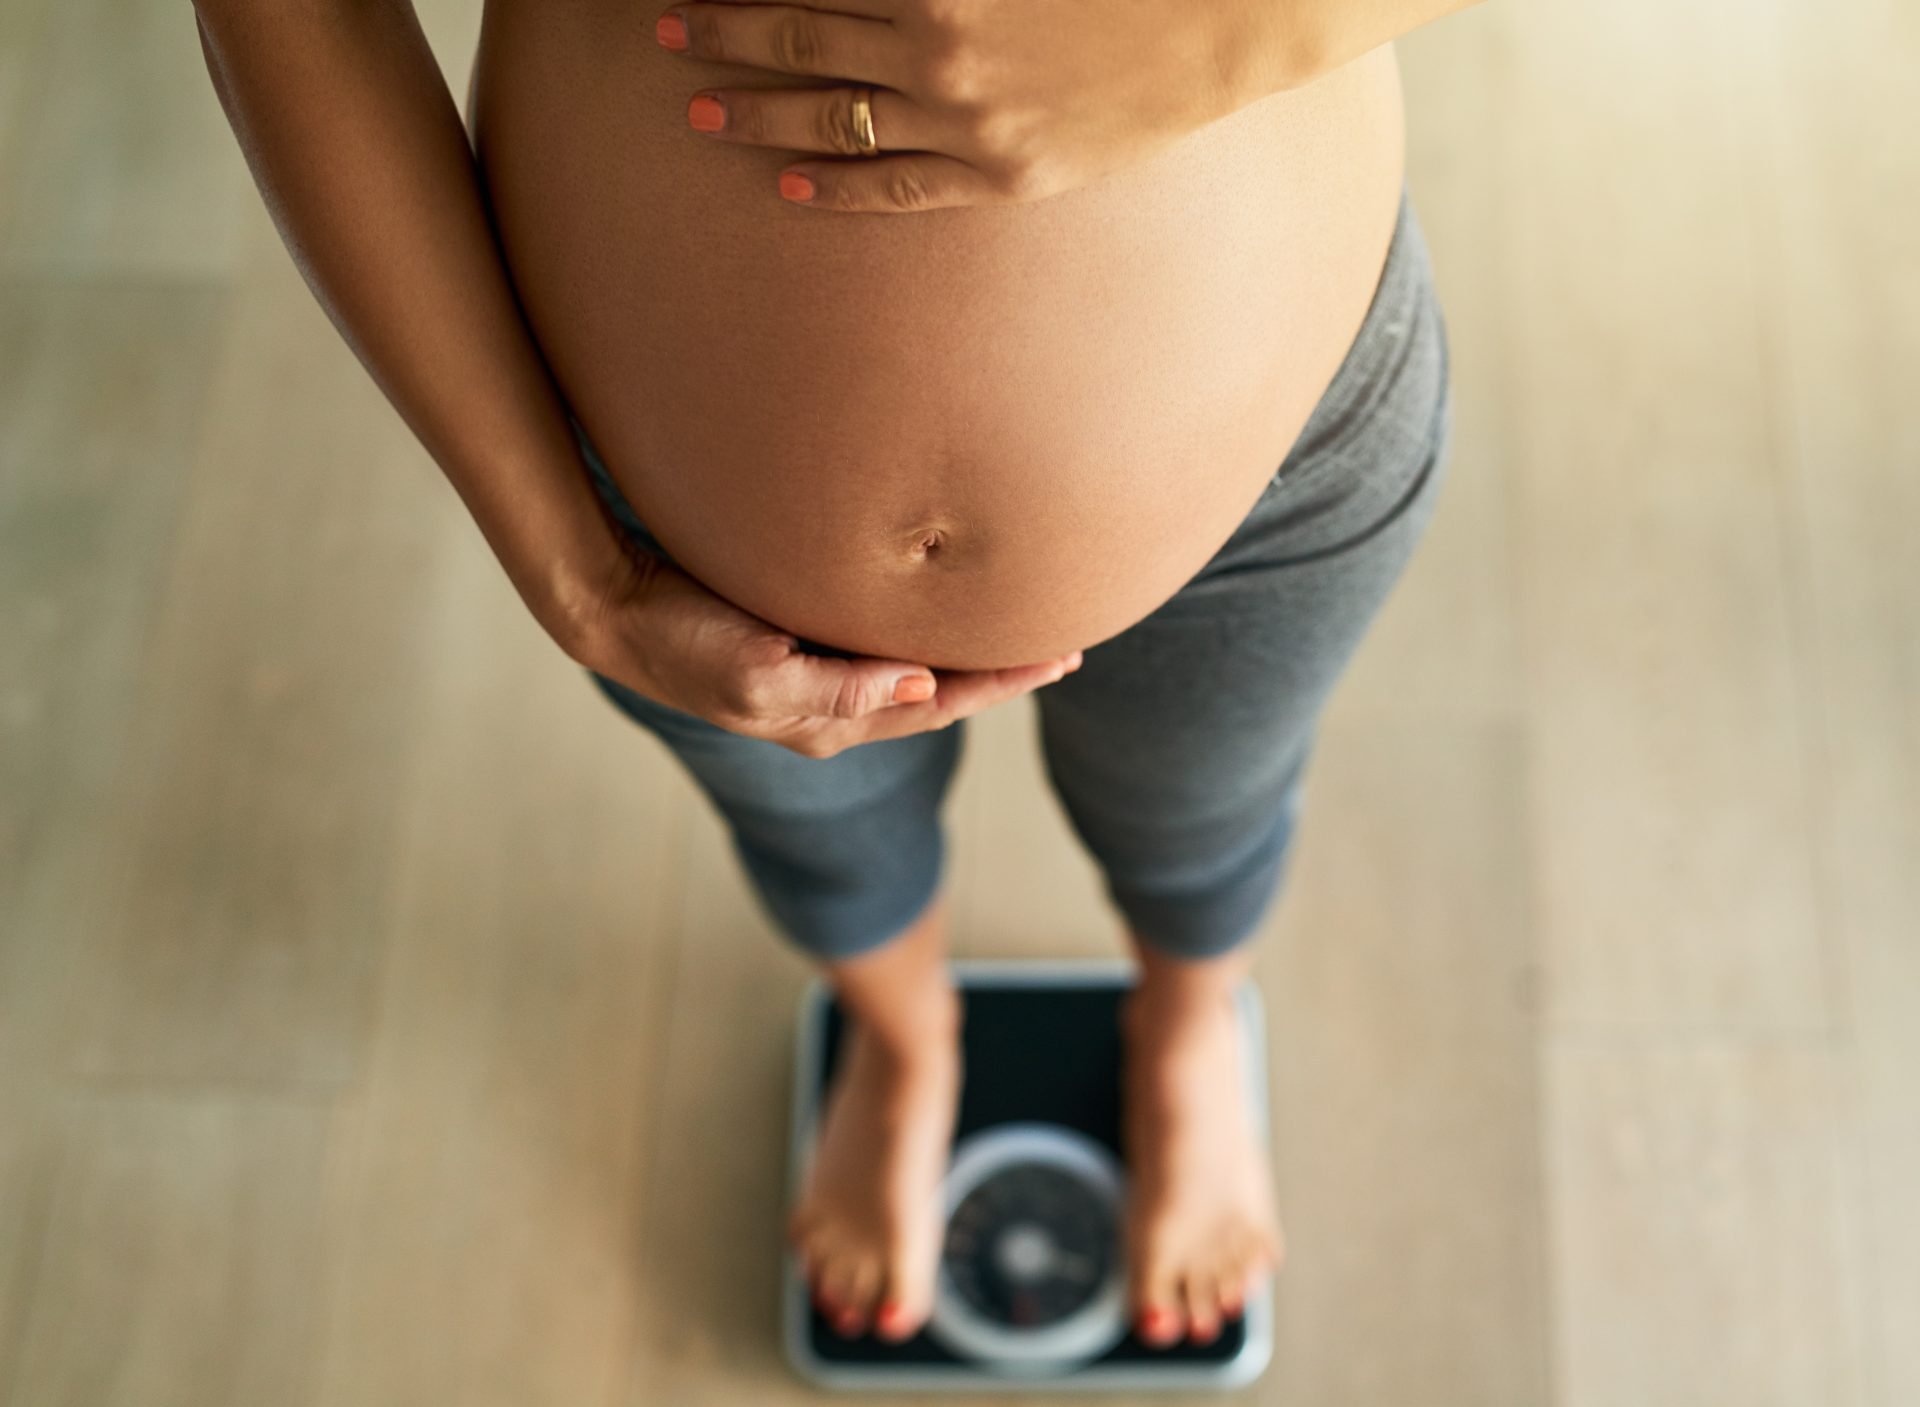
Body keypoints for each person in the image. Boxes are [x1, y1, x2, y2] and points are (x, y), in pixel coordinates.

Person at [193, 0, 1478, 1356]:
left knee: (1203, 799)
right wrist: (582, 581)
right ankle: (903, 1035)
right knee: (814, 827)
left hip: (1287, 426)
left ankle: (1187, 1025)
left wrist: (1213, 42)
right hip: (656, 496)